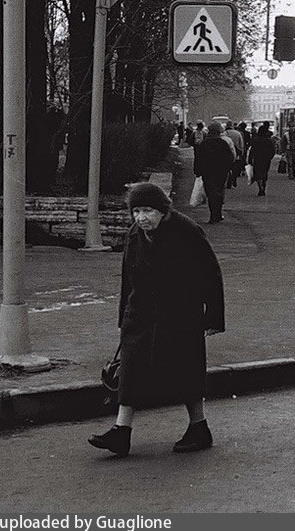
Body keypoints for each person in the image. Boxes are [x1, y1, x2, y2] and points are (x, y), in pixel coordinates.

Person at [88, 182, 225, 458]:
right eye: (136, 211)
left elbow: (211, 273)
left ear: (162, 211)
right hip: (140, 314)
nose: (141, 218)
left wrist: (213, 318)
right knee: (130, 369)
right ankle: (121, 432)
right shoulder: (134, 235)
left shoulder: (186, 231)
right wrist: (123, 318)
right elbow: (128, 279)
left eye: (147, 211)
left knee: (186, 370)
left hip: (180, 313)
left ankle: (199, 428)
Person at [192, 122, 235, 223]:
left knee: (211, 193)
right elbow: (229, 158)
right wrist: (227, 169)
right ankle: (218, 214)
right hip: (221, 172)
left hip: (208, 172)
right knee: (219, 192)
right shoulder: (223, 143)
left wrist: (197, 171)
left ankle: (213, 215)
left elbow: (198, 158)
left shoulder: (204, 144)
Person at [246, 125, 277, 196]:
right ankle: (264, 185)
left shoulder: (255, 140)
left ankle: (260, 187)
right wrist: (270, 157)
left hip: (257, 159)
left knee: (258, 173)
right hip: (266, 159)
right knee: (264, 172)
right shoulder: (269, 140)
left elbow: (252, 151)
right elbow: (272, 150)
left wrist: (250, 159)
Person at [223, 121, 245, 189]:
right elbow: (241, 144)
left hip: (226, 153)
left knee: (227, 167)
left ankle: (228, 179)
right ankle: (234, 178)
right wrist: (242, 153)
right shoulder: (237, 133)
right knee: (235, 167)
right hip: (237, 152)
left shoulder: (224, 134)